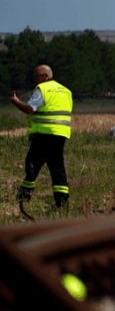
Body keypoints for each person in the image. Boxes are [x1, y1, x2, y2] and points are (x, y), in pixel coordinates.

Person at [9, 65, 72, 209]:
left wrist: (16, 102)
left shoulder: (43, 89)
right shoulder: (66, 91)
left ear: (45, 76)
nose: (35, 80)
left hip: (44, 133)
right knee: (57, 167)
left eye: (37, 76)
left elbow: (30, 109)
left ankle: (24, 198)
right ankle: (62, 202)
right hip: (61, 134)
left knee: (32, 164)